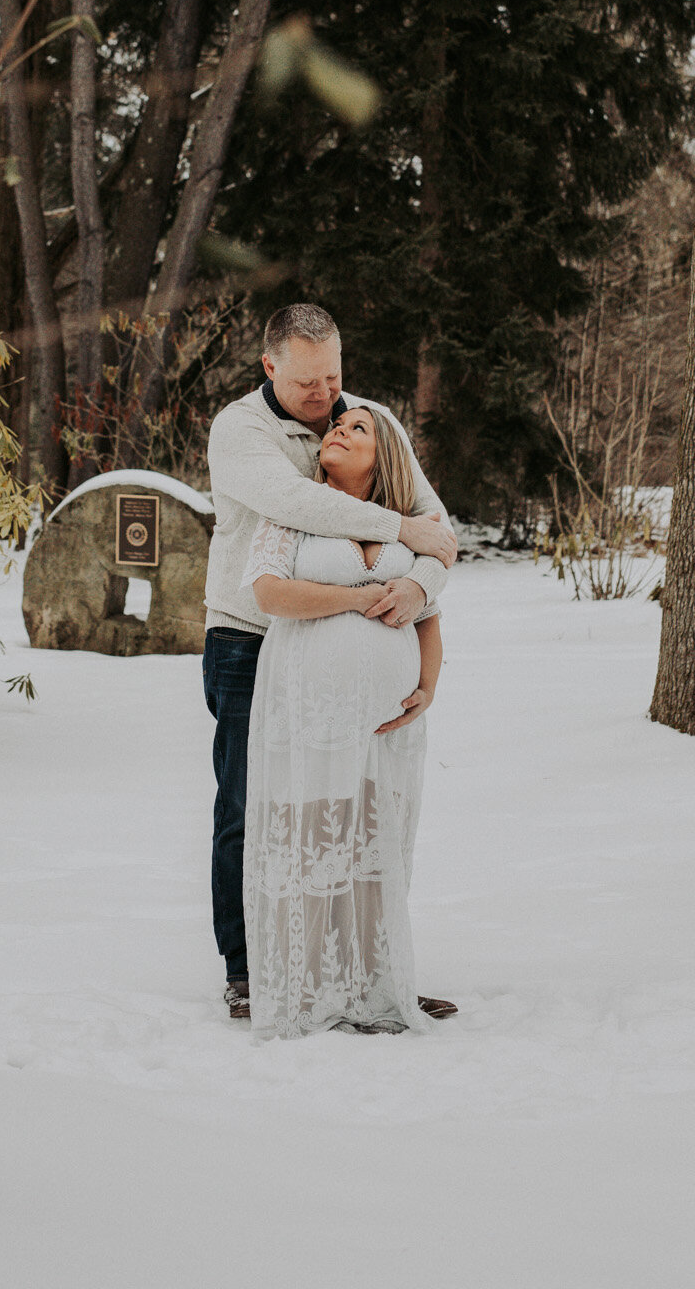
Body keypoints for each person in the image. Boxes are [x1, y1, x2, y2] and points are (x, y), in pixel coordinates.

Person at [202, 302, 456, 1020]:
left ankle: (369, 969)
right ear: (269, 366)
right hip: (249, 638)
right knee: (252, 805)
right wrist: (394, 532)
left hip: (361, 674)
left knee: (360, 812)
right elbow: (294, 503)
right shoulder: (240, 428)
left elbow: (437, 532)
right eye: (307, 383)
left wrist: (414, 582)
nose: (325, 398)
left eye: (333, 378)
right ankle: (254, 972)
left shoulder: (372, 419)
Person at [242, 403, 445, 1037]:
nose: (340, 429)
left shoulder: (409, 527)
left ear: (385, 456)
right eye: (339, 424)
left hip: (385, 722)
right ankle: (305, 990)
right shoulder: (296, 511)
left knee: (370, 841)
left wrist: (428, 682)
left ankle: (370, 985)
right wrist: (357, 600)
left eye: (359, 428)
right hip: (308, 706)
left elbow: (430, 608)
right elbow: (269, 591)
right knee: (308, 837)